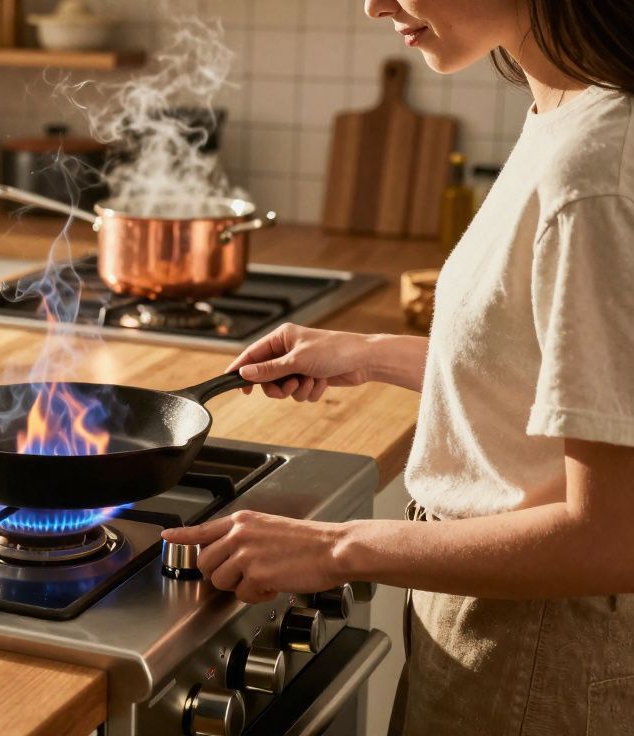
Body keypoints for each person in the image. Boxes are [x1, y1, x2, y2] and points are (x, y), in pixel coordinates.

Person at [160, 1, 634, 733]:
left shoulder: (598, 163)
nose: (373, 3)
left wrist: (336, 547)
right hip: (498, 611)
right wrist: (373, 355)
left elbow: (611, 535)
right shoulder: (563, 109)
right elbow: (562, 375)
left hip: (542, 639)